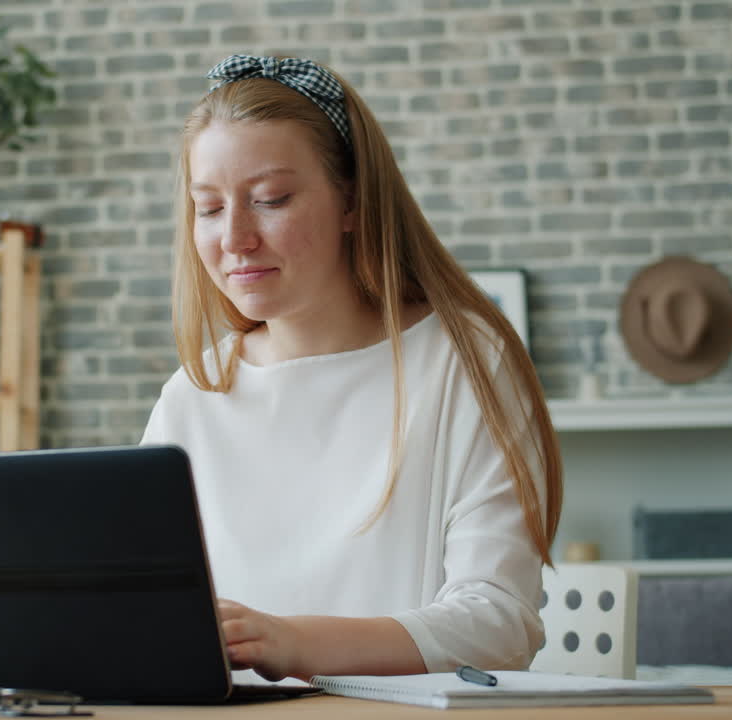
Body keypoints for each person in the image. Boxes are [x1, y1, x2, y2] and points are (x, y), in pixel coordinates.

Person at [141, 55, 564, 684]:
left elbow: (500, 624)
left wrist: (292, 642)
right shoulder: (193, 395)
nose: (234, 239)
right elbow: (139, 616)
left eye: (270, 199)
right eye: (208, 208)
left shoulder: (464, 363)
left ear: (352, 200)